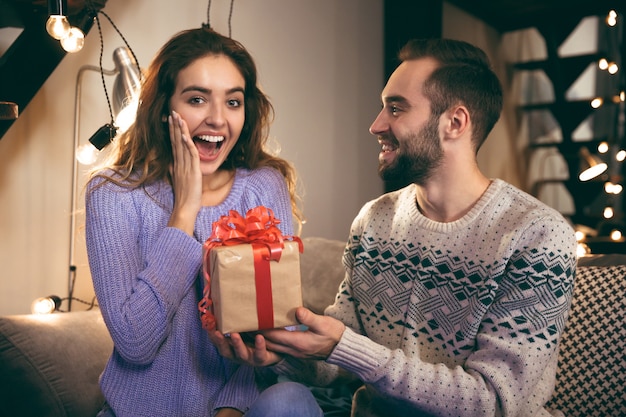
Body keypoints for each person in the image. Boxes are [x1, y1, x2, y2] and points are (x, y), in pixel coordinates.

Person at [209, 38, 578, 417]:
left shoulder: (537, 236)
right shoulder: (375, 221)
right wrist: (276, 354)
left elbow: (495, 402)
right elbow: (333, 360)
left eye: (396, 108)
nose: (376, 125)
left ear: (455, 122)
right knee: (282, 400)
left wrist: (349, 349)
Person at [85, 27, 322, 417]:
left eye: (233, 102)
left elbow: (281, 332)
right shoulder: (112, 194)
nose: (216, 119)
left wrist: (232, 407)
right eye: (197, 99)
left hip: (235, 412)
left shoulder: (262, 187)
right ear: (165, 108)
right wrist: (184, 211)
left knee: (291, 401)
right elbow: (135, 342)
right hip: (138, 412)